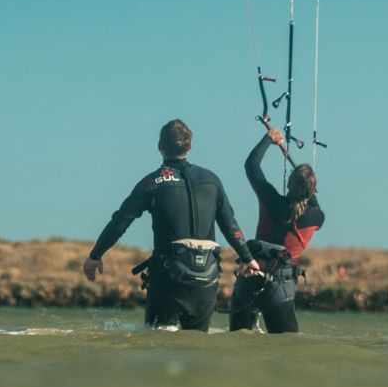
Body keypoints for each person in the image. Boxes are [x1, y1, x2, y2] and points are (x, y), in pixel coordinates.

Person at [83, 119, 260, 331]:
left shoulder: (153, 182)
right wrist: (248, 259)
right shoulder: (212, 180)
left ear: (160, 146)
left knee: (160, 348)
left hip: (169, 280)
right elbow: (231, 226)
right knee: (195, 349)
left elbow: (120, 221)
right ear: (190, 146)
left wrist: (95, 255)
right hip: (206, 280)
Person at [230, 128, 324, 333]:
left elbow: (251, 166)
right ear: (313, 190)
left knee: (238, 348)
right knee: (287, 350)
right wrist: (308, 183)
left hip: (248, 280)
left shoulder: (270, 200)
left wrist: (268, 139)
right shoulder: (316, 217)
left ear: (289, 183)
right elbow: (313, 203)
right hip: (278, 288)